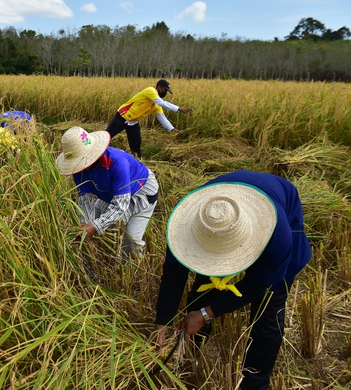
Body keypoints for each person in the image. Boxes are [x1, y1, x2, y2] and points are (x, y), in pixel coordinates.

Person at [153, 170, 312, 390]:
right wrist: (161, 324)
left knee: (268, 309)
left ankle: (254, 384)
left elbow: (257, 285)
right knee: (205, 285)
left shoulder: (278, 234)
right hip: (220, 215)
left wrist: (207, 313)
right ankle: (190, 352)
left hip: (281, 206)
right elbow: (173, 274)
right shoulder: (187, 224)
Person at [55, 126, 160, 260]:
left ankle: (132, 266)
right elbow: (85, 200)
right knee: (98, 219)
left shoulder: (117, 162)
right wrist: (86, 226)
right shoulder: (79, 170)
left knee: (131, 238)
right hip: (109, 191)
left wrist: (95, 226)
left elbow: (120, 204)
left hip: (141, 193)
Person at [106, 79, 193, 157]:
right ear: (159, 87)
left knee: (136, 142)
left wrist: (171, 128)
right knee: (107, 136)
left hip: (133, 121)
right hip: (123, 116)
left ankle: (137, 161)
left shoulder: (156, 105)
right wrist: (179, 108)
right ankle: (95, 150)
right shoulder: (150, 91)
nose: (165, 93)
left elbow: (162, 117)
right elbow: (161, 102)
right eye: (165, 90)